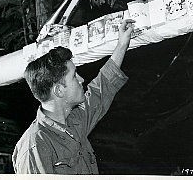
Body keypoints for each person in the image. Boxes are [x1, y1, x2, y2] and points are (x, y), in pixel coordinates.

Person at [12, 19, 135, 174]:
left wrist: (122, 44)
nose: (82, 79)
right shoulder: (34, 147)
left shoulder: (75, 120)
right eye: (74, 77)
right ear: (59, 91)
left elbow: (101, 88)